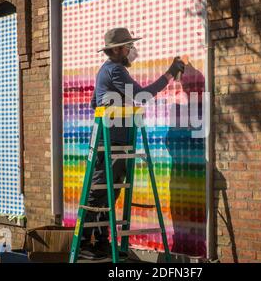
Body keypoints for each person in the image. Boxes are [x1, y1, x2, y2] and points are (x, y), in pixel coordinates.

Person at [79, 27, 185, 260]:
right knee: (99, 195)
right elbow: (142, 96)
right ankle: (87, 244)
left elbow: (94, 102)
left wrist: (117, 106)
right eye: (128, 47)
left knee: (110, 194)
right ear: (116, 50)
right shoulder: (115, 69)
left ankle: (101, 243)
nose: (132, 51)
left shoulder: (107, 70)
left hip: (116, 142)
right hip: (110, 143)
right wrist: (169, 74)